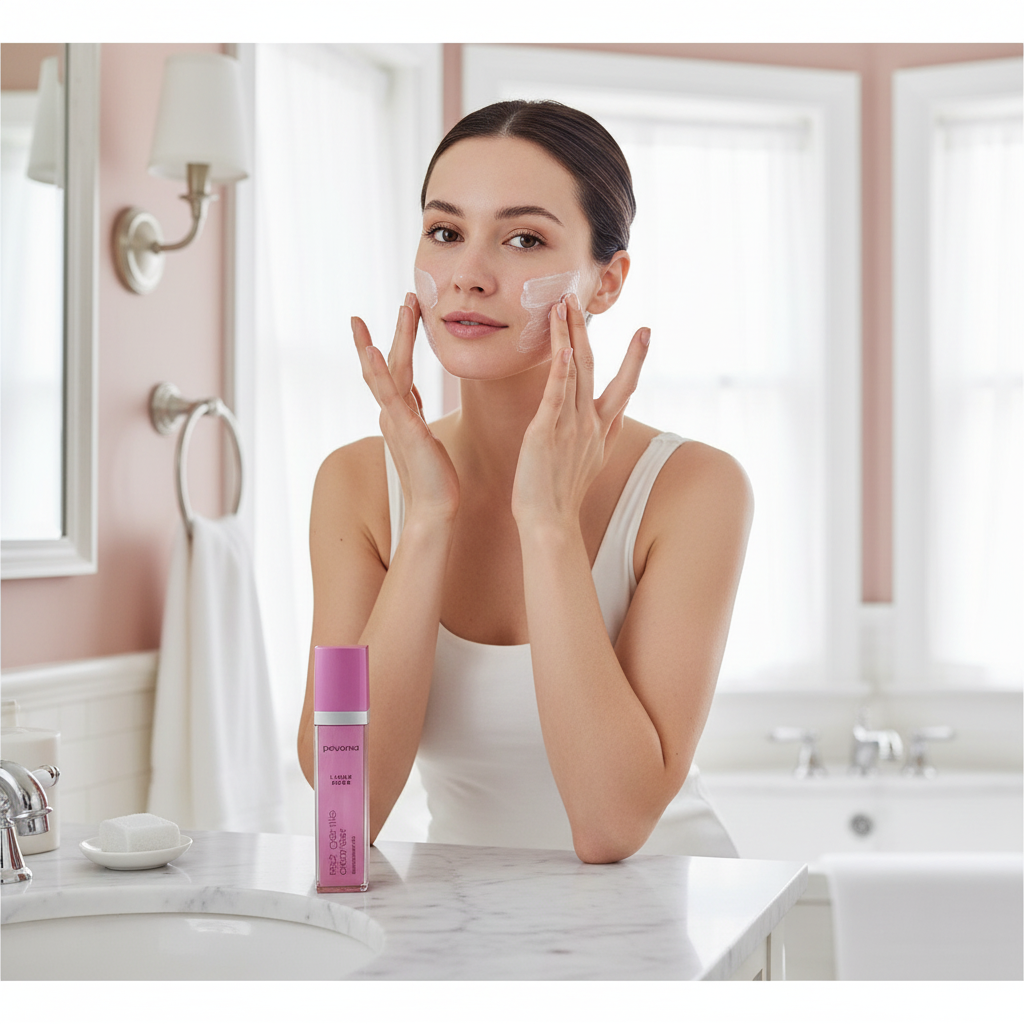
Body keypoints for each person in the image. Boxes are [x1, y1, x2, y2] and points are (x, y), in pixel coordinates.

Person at [297, 100, 753, 863]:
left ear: (606, 283)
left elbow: (610, 826)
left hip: (673, 941)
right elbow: (348, 811)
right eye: (445, 232)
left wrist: (547, 524)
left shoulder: (693, 489)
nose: (468, 276)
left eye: (523, 239)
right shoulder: (357, 487)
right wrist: (428, 521)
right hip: (470, 940)